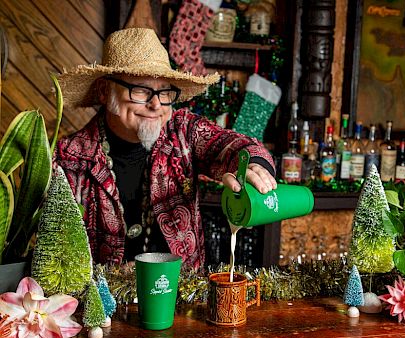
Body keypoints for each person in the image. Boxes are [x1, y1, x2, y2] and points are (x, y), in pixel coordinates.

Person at [54, 28, 277, 269]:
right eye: (140, 89)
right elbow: (53, 259)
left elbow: (235, 146)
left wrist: (253, 164)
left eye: (165, 91)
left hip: (184, 300)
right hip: (100, 303)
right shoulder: (67, 159)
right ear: (105, 91)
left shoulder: (183, 132)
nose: (156, 104)